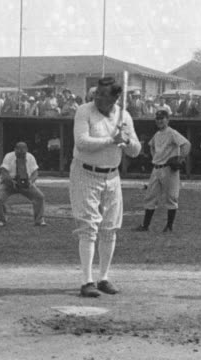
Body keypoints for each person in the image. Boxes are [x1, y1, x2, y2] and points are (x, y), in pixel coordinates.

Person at [70, 77, 141, 298]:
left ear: (115, 97)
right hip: (85, 173)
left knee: (110, 228)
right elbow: (82, 142)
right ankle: (87, 281)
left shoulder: (124, 116)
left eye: (103, 94)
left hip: (112, 175)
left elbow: (136, 150)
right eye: (96, 93)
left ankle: (104, 278)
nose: (97, 97)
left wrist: (126, 141)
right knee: (89, 227)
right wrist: (112, 139)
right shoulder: (84, 111)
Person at [136, 110, 191, 232]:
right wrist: (155, 157)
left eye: (162, 118)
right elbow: (151, 146)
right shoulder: (157, 134)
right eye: (158, 118)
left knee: (171, 197)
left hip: (169, 168)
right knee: (150, 197)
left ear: (167, 119)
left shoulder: (172, 133)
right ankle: (145, 226)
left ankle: (169, 226)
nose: (159, 121)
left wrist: (180, 158)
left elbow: (186, 144)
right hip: (156, 168)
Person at [0, 142, 46, 227]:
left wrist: (31, 181)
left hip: (26, 183)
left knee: (40, 197)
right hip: (10, 183)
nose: (21, 154)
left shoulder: (30, 157)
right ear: (15, 150)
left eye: (23, 152)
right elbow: (3, 172)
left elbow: (35, 173)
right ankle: (2, 219)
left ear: (26, 150)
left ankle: (39, 220)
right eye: (19, 152)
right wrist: (11, 181)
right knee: (0, 199)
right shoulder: (8, 156)